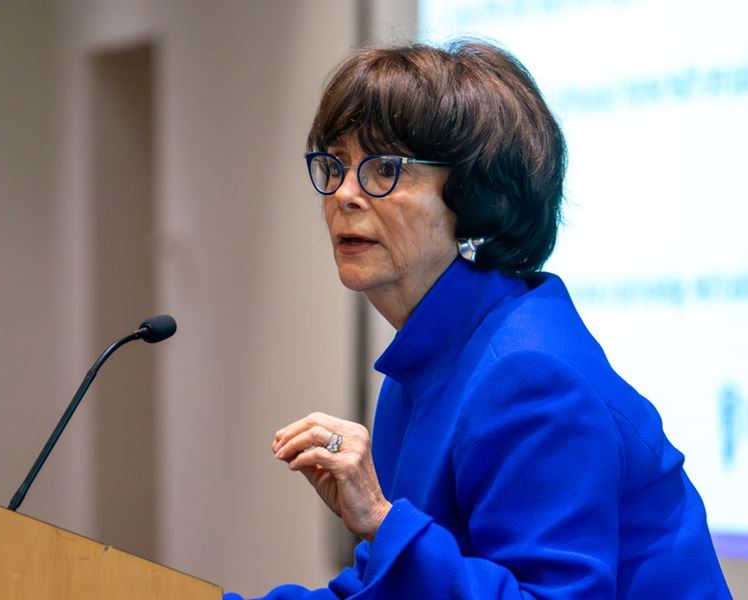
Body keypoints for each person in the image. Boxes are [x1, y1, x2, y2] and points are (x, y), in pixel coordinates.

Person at [225, 40, 731, 599]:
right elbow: (385, 585)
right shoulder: (425, 361)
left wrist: (379, 518)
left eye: (384, 169)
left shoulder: (527, 375)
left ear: (471, 195)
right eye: (335, 164)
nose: (344, 193)